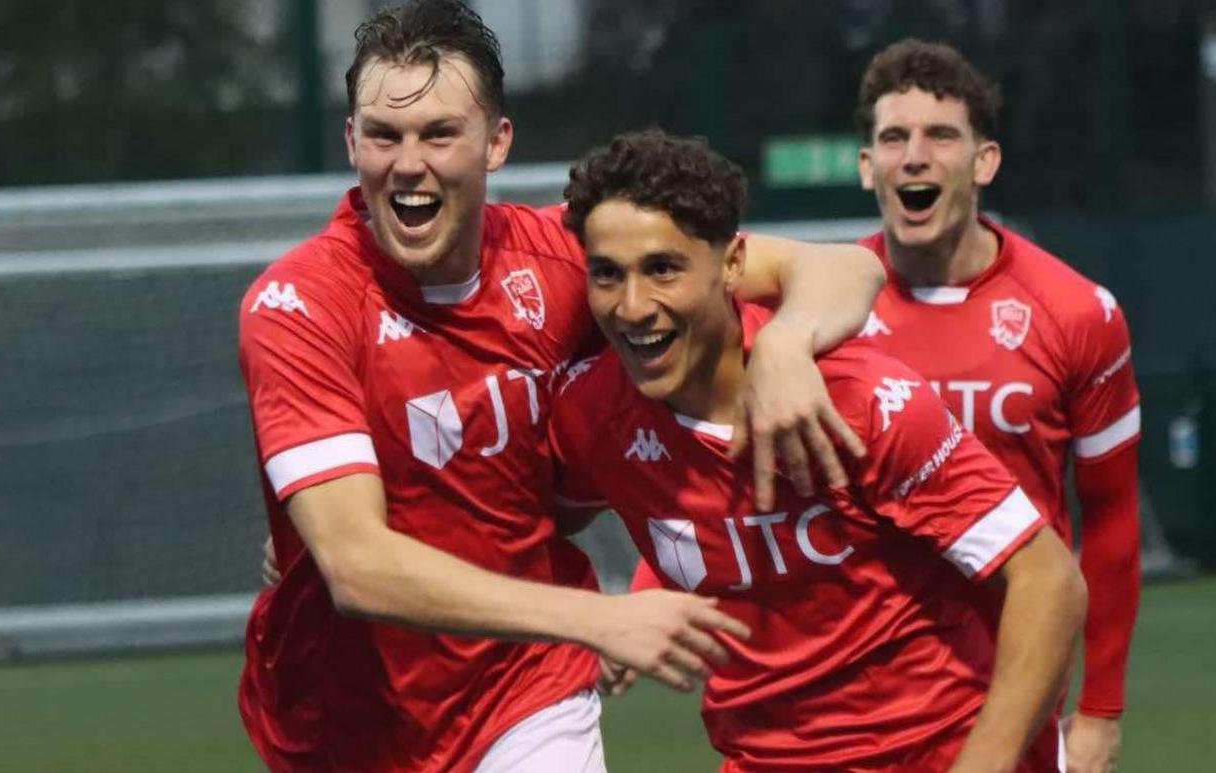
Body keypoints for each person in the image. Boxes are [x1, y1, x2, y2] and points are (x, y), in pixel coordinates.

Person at [236, 1, 883, 770]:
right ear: (351, 142)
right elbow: (355, 565)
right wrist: (596, 618)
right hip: (339, 720)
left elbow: (845, 265)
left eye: (441, 133)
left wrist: (785, 341)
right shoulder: (299, 303)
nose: (409, 162)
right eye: (384, 135)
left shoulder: (570, 258)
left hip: (525, 693)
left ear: (496, 142)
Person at [551, 128, 1086, 772]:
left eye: (663, 269)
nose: (632, 306)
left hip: (937, 747)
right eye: (607, 275)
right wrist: (592, 617)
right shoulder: (588, 412)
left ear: (732, 265)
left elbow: (1049, 580)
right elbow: (524, 524)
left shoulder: (859, 398)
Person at [850, 39, 1142, 773]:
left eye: (941, 135)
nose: (914, 156)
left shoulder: (1077, 313)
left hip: (1015, 688)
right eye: (893, 137)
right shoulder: (819, 312)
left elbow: (1110, 521)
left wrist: (1101, 711)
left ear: (985, 161)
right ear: (866, 167)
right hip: (855, 697)